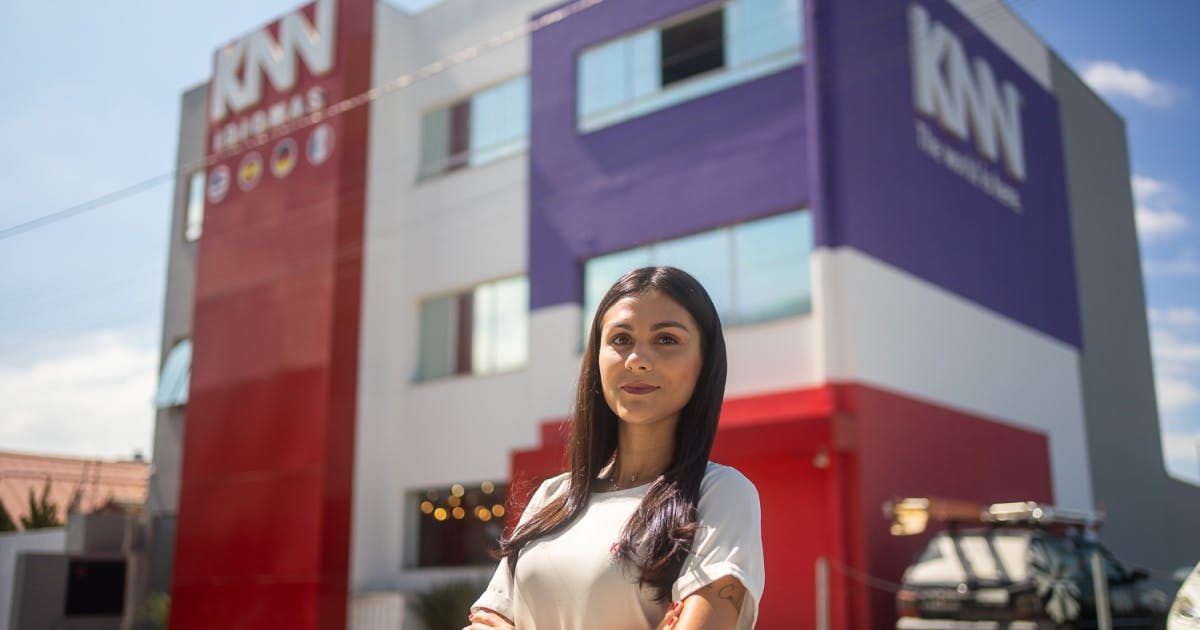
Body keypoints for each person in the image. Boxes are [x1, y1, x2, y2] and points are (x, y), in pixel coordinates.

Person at [464, 266, 765, 630]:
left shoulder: (720, 495)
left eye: (667, 339)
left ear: (705, 363)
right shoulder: (552, 497)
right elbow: (485, 622)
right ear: (597, 359)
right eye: (621, 339)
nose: (637, 359)